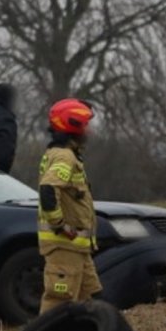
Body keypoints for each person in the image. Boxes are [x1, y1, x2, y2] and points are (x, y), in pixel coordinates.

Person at [37, 99, 99, 314]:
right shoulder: (65, 157)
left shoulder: (62, 153)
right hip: (65, 246)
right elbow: (48, 189)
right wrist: (60, 225)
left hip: (76, 248)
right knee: (58, 305)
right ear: (73, 126)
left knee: (88, 302)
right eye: (85, 125)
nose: (89, 131)